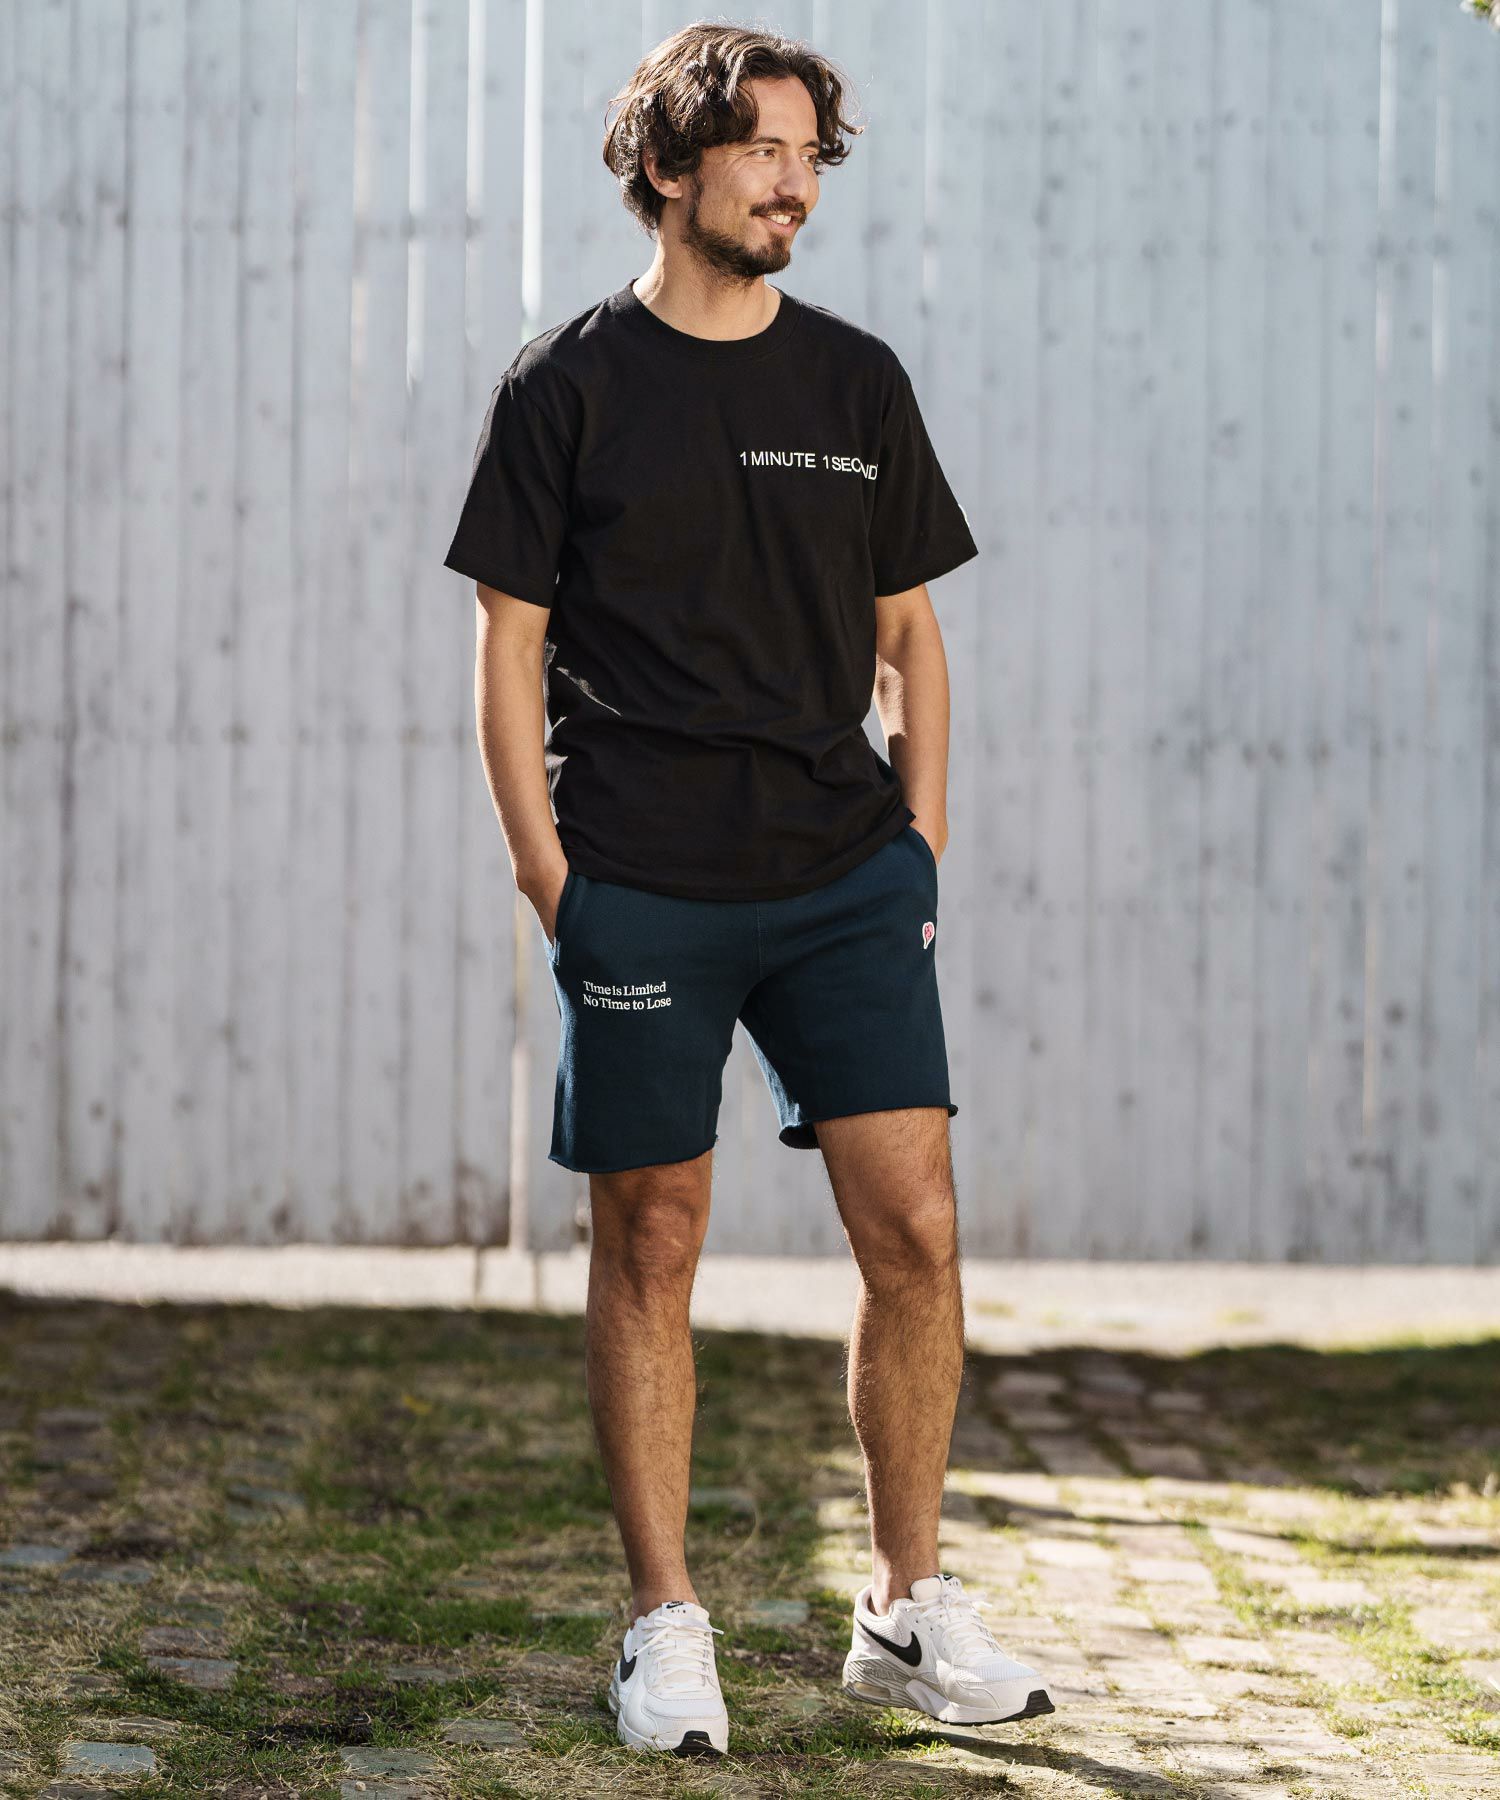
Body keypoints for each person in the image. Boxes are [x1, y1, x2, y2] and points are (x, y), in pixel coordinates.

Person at [443, 20, 1055, 1761]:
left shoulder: (856, 383)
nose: (795, 184)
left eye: (809, 155)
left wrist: (920, 839)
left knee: (916, 1230)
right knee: (652, 1237)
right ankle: (664, 1623)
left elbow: (910, 635)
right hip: (641, 878)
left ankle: (906, 1608)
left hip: (844, 877)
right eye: (762, 151)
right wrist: (554, 881)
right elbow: (507, 647)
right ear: (667, 166)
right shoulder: (563, 387)